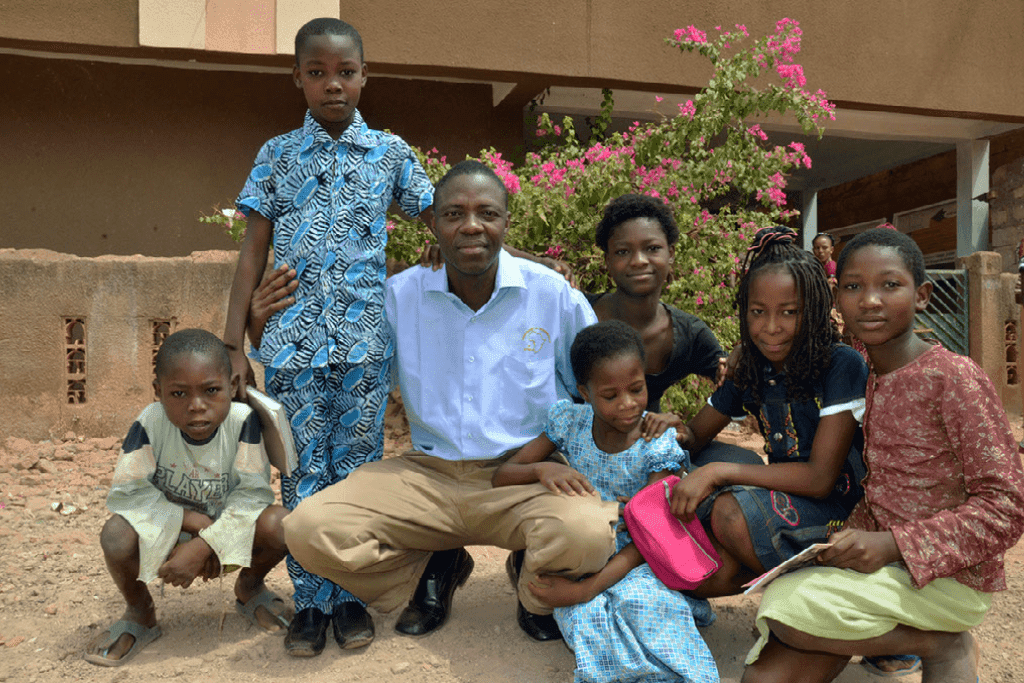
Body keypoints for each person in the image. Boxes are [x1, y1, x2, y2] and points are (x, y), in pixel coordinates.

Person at [283, 160, 618, 645]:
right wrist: (255, 324)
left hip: (523, 473)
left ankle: (535, 592)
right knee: (309, 528)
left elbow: (597, 384)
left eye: (487, 213)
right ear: (434, 223)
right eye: (454, 214)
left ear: (506, 223)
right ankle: (432, 568)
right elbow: (331, 353)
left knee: (588, 535)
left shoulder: (551, 295)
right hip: (428, 476)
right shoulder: (400, 296)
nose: (471, 225)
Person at [221, 18, 434, 657]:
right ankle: (311, 603)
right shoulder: (277, 156)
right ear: (298, 79)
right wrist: (236, 342)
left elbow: (444, 220)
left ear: (365, 76)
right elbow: (251, 251)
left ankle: (348, 595)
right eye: (317, 73)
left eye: (345, 72)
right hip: (291, 348)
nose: (332, 84)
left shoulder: (391, 154)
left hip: (366, 350)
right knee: (303, 476)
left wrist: (521, 266)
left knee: (358, 475)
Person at [742, 227, 1024, 683]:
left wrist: (894, 545)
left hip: (949, 578)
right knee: (765, 672)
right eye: (853, 286)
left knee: (787, 609)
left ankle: (943, 643)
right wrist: (845, 541)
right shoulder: (870, 374)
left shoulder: (953, 378)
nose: (869, 300)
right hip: (888, 567)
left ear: (923, 295)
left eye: (889, 285)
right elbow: (884, 491)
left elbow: (1007, 507)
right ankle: (917, 637)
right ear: (837, 299)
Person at [493, 320, 719, 683]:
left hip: (640, 555)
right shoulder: (570, 422)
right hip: (586, 548)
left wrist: (586, 588)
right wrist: (540, 470)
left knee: (644, 604)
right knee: (589, 616)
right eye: (610, 396)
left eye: (636, 389)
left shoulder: (656, 443)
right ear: (584, 391)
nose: (628, 404)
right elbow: (502, 475)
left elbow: (653, 535)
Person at [670, 226, 868, 598]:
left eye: (789, 312)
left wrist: (717, 472)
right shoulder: (751, 364)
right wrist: (671, 432)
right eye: (758, 312)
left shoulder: (840, 364)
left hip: (840, 509)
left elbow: (820, 479)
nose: (772, 328)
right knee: (709, 571)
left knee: (730, 514)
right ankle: (789, 589)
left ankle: (837, 605)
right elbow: (697, 436)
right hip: (784, 493)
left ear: (813, 311)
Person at [84, 329, 289, 667]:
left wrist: (208, 543)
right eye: (178, 393)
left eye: (211, 391)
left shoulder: (243, 423)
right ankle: (140, 613)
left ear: (232, 386)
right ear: (158, 393)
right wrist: (191, 522)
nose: (196, 407)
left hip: (228, 532)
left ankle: (250, 588)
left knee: (279, 524)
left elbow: (252, 497)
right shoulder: (150, 423)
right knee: (116, 534)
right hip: (170, 535)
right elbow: (128, 493)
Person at [588, 193, 762, 468]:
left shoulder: (688, 333)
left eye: (652, 248)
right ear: (607, 261)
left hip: (645, 450)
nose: (639, 261)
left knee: (744, 461)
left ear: (671, 255)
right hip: (579, 448)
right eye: (623, 251)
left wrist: (690, 433)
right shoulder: (578, 314)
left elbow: (731, 380)